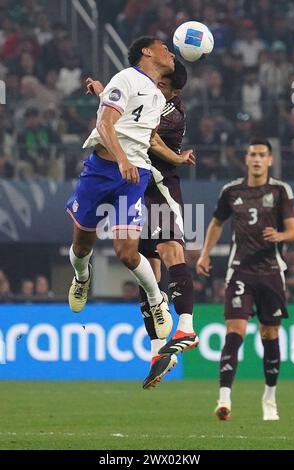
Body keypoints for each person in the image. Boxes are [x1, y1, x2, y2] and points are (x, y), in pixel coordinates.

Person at [66, 36, 175, 341]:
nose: (170, 52)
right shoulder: (126, 77)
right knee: (81, 248)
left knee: (127, 253)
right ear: (146, 51)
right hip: (101, 170)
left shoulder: (157, 95)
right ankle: (82, 277)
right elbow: (105, 123)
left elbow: (142, 132)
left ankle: (157, 300)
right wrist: (122, 158)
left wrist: (177, 157)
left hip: (134, 176)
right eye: (163, 47)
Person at [196, 138, 294, 421]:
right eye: (252, 154)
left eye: (261, 155)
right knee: (235, 331)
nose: (256, 159)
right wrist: (204, 254)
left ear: (269, 160)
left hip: (271, 272)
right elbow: (216, 222)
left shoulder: (280, 190)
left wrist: (280, 236)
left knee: (270, 335)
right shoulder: (231, 191)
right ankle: (224, 398)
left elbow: (293, 230)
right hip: (240, 270)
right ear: (246, 159)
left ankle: (269, 397)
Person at [138, 60, 199, 389]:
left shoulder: (171, 113)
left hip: (160, 188)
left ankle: (187, 326)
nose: (155, 86)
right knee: (144, 269)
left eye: (162, 84)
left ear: (174, 91)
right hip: (134, 188)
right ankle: (158, 352)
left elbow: (142, 135)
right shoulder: (149, 95)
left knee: (170, 249)